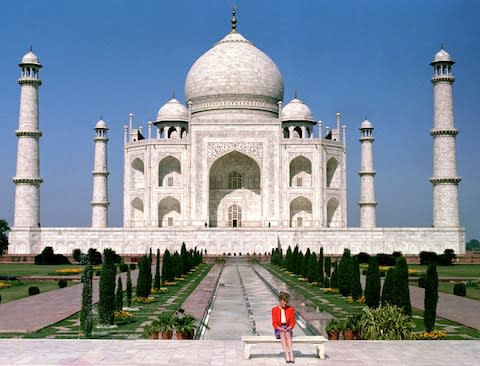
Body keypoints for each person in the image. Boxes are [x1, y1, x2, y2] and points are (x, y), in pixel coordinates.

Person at [272, 291, 296, 363]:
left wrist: (289, 327)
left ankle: (291, 354)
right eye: (283, 301)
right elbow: (274, 324)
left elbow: (293, 322)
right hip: (279, 328)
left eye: (286, 301)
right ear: (280, 300)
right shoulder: (274, 309)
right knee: (282, 333)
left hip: (288, 327)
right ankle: (287, 355)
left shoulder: (291, 309)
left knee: (288, 334)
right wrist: (280, 328)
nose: (285, 303)